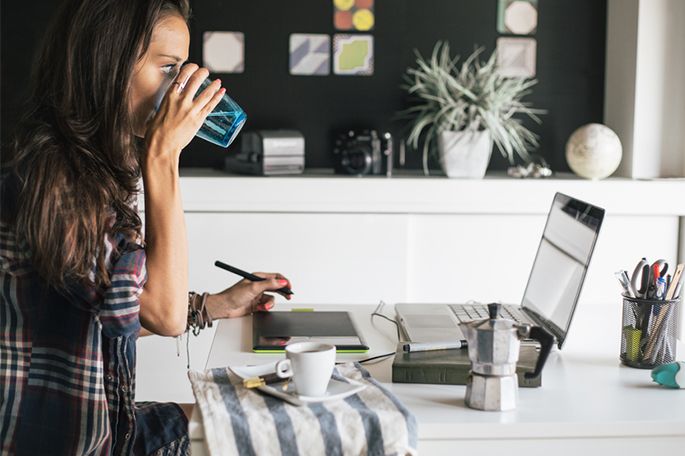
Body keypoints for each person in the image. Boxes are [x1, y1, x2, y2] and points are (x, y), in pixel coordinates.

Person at [0, 0, 291, 454]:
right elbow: (164, 315)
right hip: (60, 439)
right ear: (109, 62)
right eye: (168, 69)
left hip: (108, 424)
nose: (178, 91)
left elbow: (114, 309)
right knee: (249, 432)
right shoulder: (53, 180)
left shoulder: (92, 165)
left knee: (249, 417)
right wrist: (162, 157)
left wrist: (213, 305)